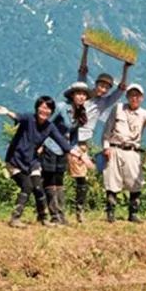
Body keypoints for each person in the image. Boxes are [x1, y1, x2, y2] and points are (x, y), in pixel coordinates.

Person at [76, 36, 132, 216]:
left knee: (81, 173)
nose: (102, 89)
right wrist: (86, 49)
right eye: (101, 85)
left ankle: (80, 209)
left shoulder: (104, 102)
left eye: (106, 88)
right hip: (68, 134)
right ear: (96, 84)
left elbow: (121, 89)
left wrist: (125, 69)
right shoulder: (83, 91)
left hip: (83, 139)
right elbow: (83, 70)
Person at [0, 96, 70, 228]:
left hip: (32, 161)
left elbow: (62, 142)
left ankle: (43, 218)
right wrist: (7, 112)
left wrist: (79, 155)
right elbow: (18, 117)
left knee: (39, 187)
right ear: (37, 108)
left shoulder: (49, 126)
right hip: (15, 160)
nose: (44, 111)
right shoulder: (29, 118)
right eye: (42, 107)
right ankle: (15, 218)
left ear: (51, 112)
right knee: (27, 186)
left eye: (48, 108)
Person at [101, 83, 146, 222]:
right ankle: (111, 213)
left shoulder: (144, 113)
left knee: (135, 181)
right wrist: (105, 147)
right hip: (115, 148)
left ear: (141, 98)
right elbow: (107, 129)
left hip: (133, 151)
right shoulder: (117, 109)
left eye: (137, 95)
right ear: (127, 96)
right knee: (112, 181)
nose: (134, 98)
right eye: (131, 95)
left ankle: (133, 213)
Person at [57, 82, 95, 224]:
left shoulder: (80, 113)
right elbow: (48, 124)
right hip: (54, 147)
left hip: (69, 146)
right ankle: (55, 213)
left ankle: (79, 211)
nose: (81, 97)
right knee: (55, 180)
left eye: (84, 94)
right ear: (72, 95)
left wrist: (78, 152)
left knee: (81, 178)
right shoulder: (61, 107)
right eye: (78, 93)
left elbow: (74, 136)